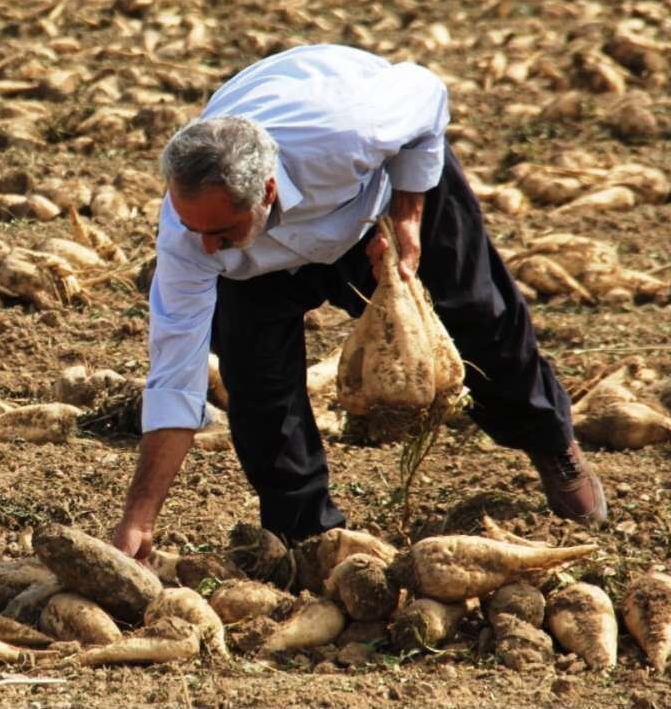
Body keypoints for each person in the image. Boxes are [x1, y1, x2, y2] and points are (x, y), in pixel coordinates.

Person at [110, 43, 607, 561]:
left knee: (479, 315)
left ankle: (550, 441)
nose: (205, 244)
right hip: (257, 267)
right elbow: (174, 375)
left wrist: (408, 211)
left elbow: (428, 93)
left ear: (268, 191)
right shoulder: (189, 236)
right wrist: (139, 516)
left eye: (220, 230)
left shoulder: (349, 130)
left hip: (381, 202)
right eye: (195, 229)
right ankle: (306, 535)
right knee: (256, 383)